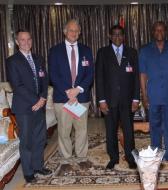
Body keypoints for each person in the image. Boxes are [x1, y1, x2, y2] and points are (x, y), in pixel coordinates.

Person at [6, 29, 52, 183]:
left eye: (29, 39)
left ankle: (38, 166)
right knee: (26, 141)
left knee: (40, 138)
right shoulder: (12, 61)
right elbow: (17, 86)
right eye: (23, 40)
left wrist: (43, 97)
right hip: (25, 108)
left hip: (40, 105)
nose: (26, 42)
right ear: (17, 42)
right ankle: (28, 172)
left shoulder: (39, 58)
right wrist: (36, 100)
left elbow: (45, 80)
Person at [139, 21, 168, 166]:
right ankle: (156, 154)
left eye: (162, 29)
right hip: (153, 95)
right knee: (155, 126)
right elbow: (142, 75)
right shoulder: (145, 50)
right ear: (153, 32)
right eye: (156, 29)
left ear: (165, 31)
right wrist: (144, 96)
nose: (159, 32)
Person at [95, 25, 140, 169]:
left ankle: (130, 157)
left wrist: (135, 99)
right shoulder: (102, 53)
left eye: (120, 34)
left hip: (127, 100)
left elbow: (136, 78)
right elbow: (99, 78)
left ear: (124, 36)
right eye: (114, 34)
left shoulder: (132, 52)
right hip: (109, 100)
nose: (117, 37)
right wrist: (101, 100)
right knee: (110, 131)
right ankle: (113, 158)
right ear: (109, 36)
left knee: (128, 130)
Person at [48, 19, 94, 159]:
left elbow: (90, 74)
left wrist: (77, 90)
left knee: (81, 130)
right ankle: (66, 157)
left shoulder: (86, 50)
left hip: (81, 98)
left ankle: (81, 156)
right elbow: (53, 75)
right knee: (64, 131)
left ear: (79, 33)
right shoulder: (55, 51)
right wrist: (68, 91)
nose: (73, 33)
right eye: (71, 30)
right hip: (63, 98)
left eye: (76, 31)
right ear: (64, 32)